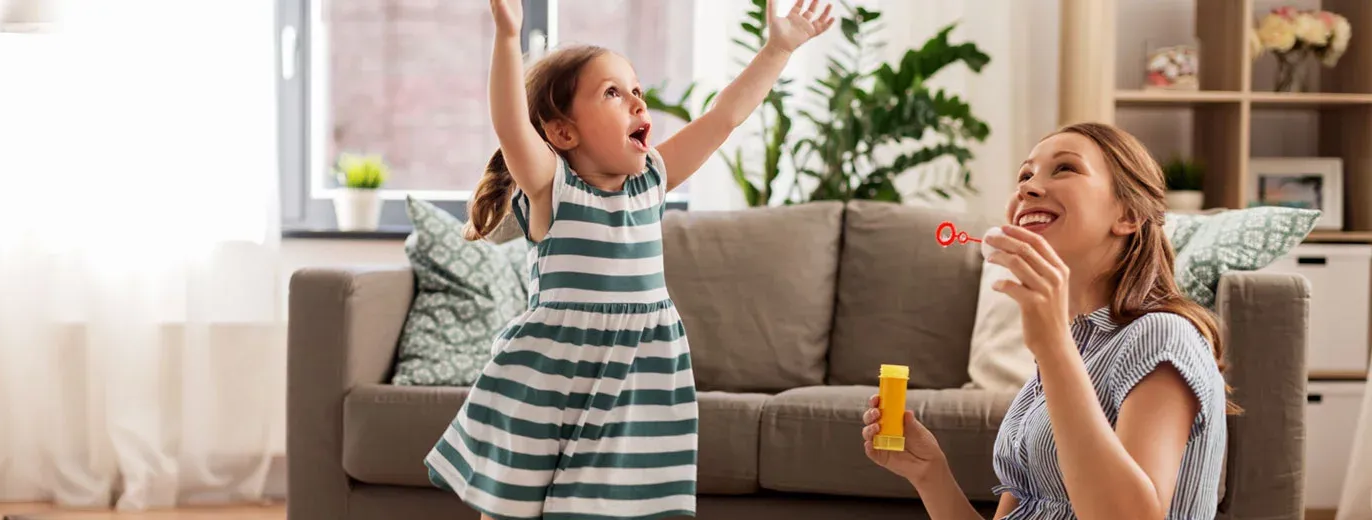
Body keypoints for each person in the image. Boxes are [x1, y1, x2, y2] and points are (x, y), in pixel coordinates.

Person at [423, 1, 834, 519]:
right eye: (613, 93)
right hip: (548, 384)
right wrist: (508, 37)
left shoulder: (652, 182)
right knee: (512, 508)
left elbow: (724, 116)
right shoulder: (554, 189)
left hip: (634, 385)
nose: (638, 103)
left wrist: (777, 49)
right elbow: (510, 125)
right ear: (562, 133)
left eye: (636, 90)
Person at [860, 122, 1234, 520]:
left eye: (1065, 169)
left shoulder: (1162, 336)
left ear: (1128, 214)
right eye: (1025, 175)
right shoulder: (1066, 353)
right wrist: (930, 474)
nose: (1028, 188)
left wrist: (1053, 346)